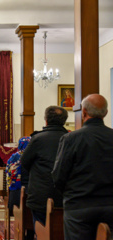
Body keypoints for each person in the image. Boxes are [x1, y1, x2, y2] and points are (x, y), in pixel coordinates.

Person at [52, 94, 113, 240]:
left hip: (79, 207)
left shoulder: (71, 138)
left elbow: (58, 175)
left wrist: (69, 195)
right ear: (105, 113)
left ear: (83, 112)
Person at [21, 105, 68, 227]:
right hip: (64, 196)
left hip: (40, 195)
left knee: (41, 230)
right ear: (64, 121)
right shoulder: (72, 139)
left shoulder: (37, 139)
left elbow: (24, 161)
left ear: (46, 120)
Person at [6, 136, 31, 213]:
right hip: (29, 191)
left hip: (15, 191)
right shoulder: (32, 156)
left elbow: (8, 171)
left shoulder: (14, 157)